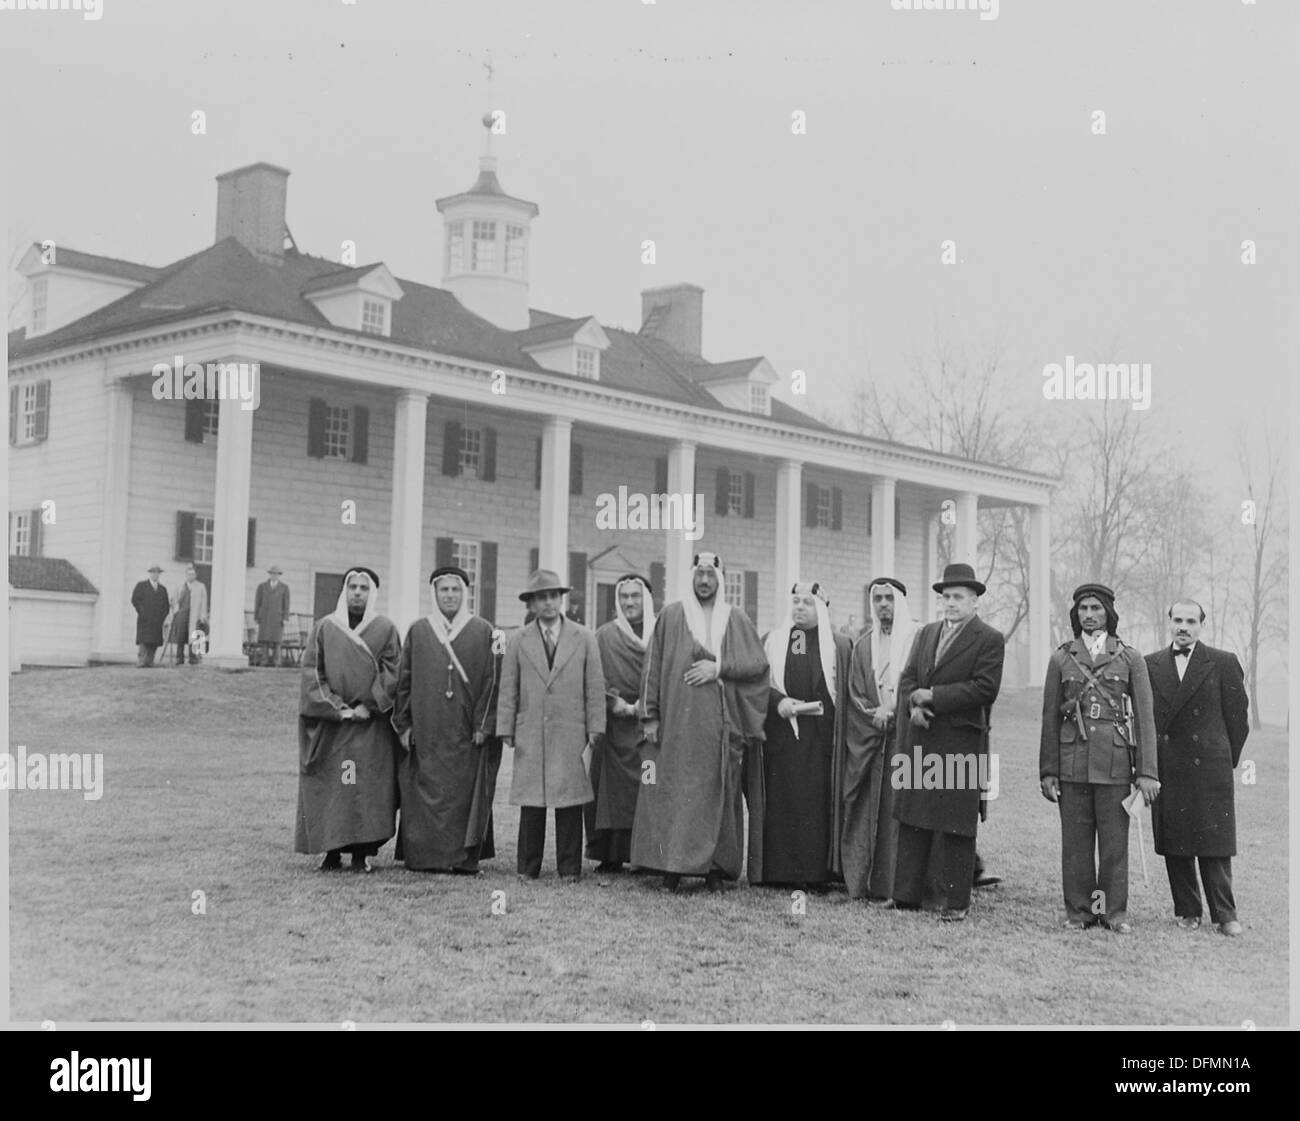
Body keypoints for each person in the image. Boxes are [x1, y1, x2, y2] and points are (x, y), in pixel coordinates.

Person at [631, 552, 768, 892]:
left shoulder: (734, 618)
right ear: (691, 577)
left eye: (711, 575)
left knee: (718, 789)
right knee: (676, 790)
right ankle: (673, 865)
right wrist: (649, 714)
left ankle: (715, 869)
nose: (705, 581)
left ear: (720, 579)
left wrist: (719, 668)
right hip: (678, 721)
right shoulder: (672, 616)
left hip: (720, 724)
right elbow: (652, 667)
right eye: (699, 574)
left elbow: (757, 665)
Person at [1040, 583, 1159, 934]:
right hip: (1072, 762)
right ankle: (1079, 912)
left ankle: (1110, 913)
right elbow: (1049, 717)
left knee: (1113, 847)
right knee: (1076, 846)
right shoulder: (1062, 657)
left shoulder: (1130, 658)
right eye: (1082, 609)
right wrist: (1048, 771)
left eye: (1095, 608)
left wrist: (1147, 771)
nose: (1088, 615)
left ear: (1108, 612)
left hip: (1115, 763)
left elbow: (1145, 717)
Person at [891, 562, 1004, 922]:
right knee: (913, 819)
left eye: (958, 597)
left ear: (974, 602)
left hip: (961, 740)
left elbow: (985, 689)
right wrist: (913, 705)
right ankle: (905, 896)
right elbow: (908, 677)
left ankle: (956, 903)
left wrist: (934, 697)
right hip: (922, 737)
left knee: (957, 823)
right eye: (946, 597)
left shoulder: (988, 638)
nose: (950, 603)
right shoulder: (926, 634)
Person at [1145, 600, 1250, 937]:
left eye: (1191, 621)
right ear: (1169, 622)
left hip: (1210, 768)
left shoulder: (1222, 662)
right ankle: (1187, 911)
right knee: (1175, 841)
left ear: (1201, 625)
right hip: (1169, 765)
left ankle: (1225, 914)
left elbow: (1238, 720)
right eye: (1178, 620)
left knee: (1214, 843)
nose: (1184, 627)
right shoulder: (1150, 664)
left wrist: (1223, 758)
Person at [497, 569, 606, 882]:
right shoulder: (517, 640)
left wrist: (595, 726)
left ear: (562, 600)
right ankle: (527, 866)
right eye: (541, 597)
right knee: (532, 801)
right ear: (531, 604)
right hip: (530, 726)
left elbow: (595, 687)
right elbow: (509, 686)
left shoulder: (584, 638)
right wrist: (506, 726)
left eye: (554, 596)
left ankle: (569, 868)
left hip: (571, 729)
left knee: (569, 799)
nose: (548, 603)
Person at [391, 566, 500, 874]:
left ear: (464, 593)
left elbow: (493, 680)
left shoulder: (483, 630)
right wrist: (404, 723)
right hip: (427, 726)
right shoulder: (419, 630)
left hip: (467, 730)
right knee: (425, 787)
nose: (450, 595)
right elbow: (404, 680)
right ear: (435, 594)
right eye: (444, 590)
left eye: (455, 590)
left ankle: (463, 859)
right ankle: (425, 858)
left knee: (464, 791)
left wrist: (483, 724)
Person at [295, 566, 400, 873]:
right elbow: (313, 673)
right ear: (344, 591)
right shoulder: (325, 628)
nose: (357, 592)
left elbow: (393, 672)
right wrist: (339, 708)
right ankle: (331, 851)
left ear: (372, 594)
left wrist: (369, 704)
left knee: (365, 788)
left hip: (370, 727)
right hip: (336, 726)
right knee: (338, 785)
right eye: (352, 586)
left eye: (363, 588)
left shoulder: (385, 629)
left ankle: (361, 853)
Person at [751, 581, 850, 889]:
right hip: (782, 736)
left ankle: (814, 874)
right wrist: (778, 702)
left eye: (807, 603)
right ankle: (780, 871)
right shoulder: (773, 640)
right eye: (795, 602)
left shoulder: (837, 645)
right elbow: (757, 684)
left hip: (820, 738)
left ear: (820, 608)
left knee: (815, 804)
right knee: (783, 802)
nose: (800, 608)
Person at [841, 576, 917, 903]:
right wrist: (876, 713)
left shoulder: (918, 639)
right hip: (874, 737)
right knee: (871, 809)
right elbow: (856, 692)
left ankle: (900, 885)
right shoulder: (862, 645)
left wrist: (894, 709)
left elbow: (920, 683)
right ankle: (869, 882)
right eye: (878, 599)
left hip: (906, 737)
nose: (883, 604)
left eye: (889, 598)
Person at [585, 573, 655, 874]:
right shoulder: (604, 635)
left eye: (635, 596)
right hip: (615, 725)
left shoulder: (661, 632)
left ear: (647, 600)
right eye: (624, 597)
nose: (629, 602)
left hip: (652, 724)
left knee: (649, 787)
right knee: (612, 790)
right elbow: (593, 678)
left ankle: (648, 856)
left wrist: (648, 704)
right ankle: (610, 855)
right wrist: (618, 704)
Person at [167, 563, 209, 666]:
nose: (190, 576)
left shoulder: (200, 587)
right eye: (189, 574)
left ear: (195, 575)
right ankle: (179, 658)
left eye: (193, 574)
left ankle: (193, 659)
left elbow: (204, 603)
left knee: (194, 637)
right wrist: (176, 611)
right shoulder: (180, 586)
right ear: (186, 575)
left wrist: (203, 616)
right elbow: (174, 600)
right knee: (180, 637)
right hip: (182, 615)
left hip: (194, 615)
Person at [131, 565, 170, 668]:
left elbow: (166, 605)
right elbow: (135, 600)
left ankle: (150, 661)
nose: (156, 575)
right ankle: (141, 661)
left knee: (154, 641)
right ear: (150, 573)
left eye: (158, 573)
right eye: (154, 572)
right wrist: (141, 611)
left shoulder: (162, 589)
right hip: (145, 619)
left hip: (157, 620)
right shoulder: (141, 586)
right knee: (144, 640)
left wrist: (162, 616)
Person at [254, 565, 292, 666]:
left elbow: (286, 604)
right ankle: (264, 661)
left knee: (277, 642)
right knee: (264, 641)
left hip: (277, 618)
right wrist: (257, 617)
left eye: (276, 574)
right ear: (270, 574)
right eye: (272, 574)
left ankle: (277, 663)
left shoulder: (284, 588)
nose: (274, 576)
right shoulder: (262, 587)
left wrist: (285, 618)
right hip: (265, 617)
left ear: (279, 575)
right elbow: (258, 603)